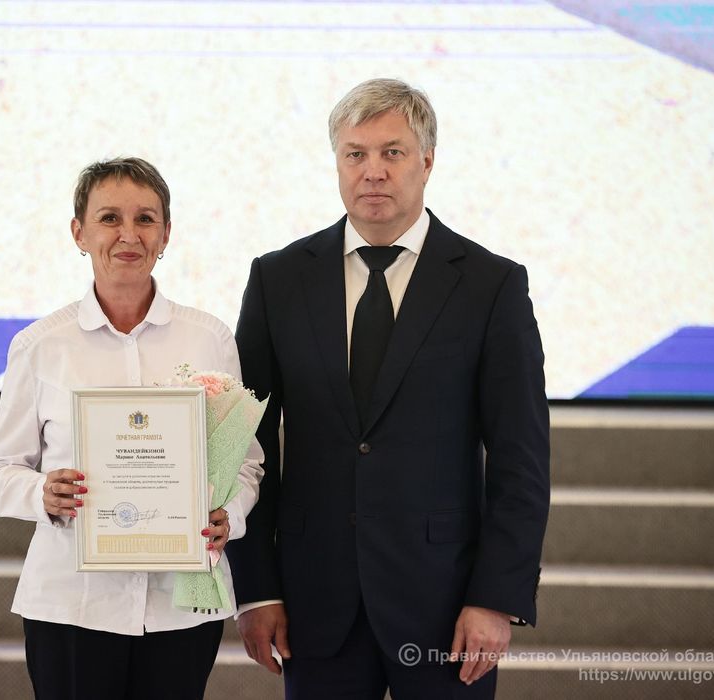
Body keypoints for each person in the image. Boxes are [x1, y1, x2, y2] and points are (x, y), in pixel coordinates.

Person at [225, 78, 550, 699]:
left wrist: (495, 597)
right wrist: (257, 589)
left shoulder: (491, 286)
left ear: (427, 160)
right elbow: (247, 446)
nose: (372, 171)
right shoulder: (278, 279)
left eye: (392, 152)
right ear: (337, 163)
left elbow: (521, 458)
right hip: (313, 603)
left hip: (447, 605)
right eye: (356, 154)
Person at [0, 157, 264, 700]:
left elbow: (246, 463)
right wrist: (43, 493)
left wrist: (230, 515)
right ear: (79, 233)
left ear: (166, 234)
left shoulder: (209, 339)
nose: (129, 235)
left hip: (181, 608)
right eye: (109, 218)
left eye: (145, 219)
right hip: (71, 605)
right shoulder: (41, 346)